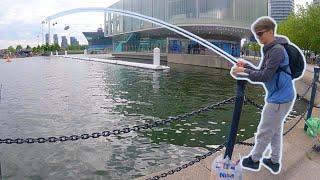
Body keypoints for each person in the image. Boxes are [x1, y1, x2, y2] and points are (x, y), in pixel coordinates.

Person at [231, 17, 297, 174]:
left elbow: (264, 76)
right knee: (274, 131)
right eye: (256, 35)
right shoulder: (271, 48)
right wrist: (246, 66)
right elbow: (262, 71)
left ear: (270, 31)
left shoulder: (277, 50)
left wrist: (244, 72)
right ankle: (274, 161)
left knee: (265, 130)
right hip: (282, 96)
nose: (258, 38)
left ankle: (254, 160)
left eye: (260, 34)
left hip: (279, 99)